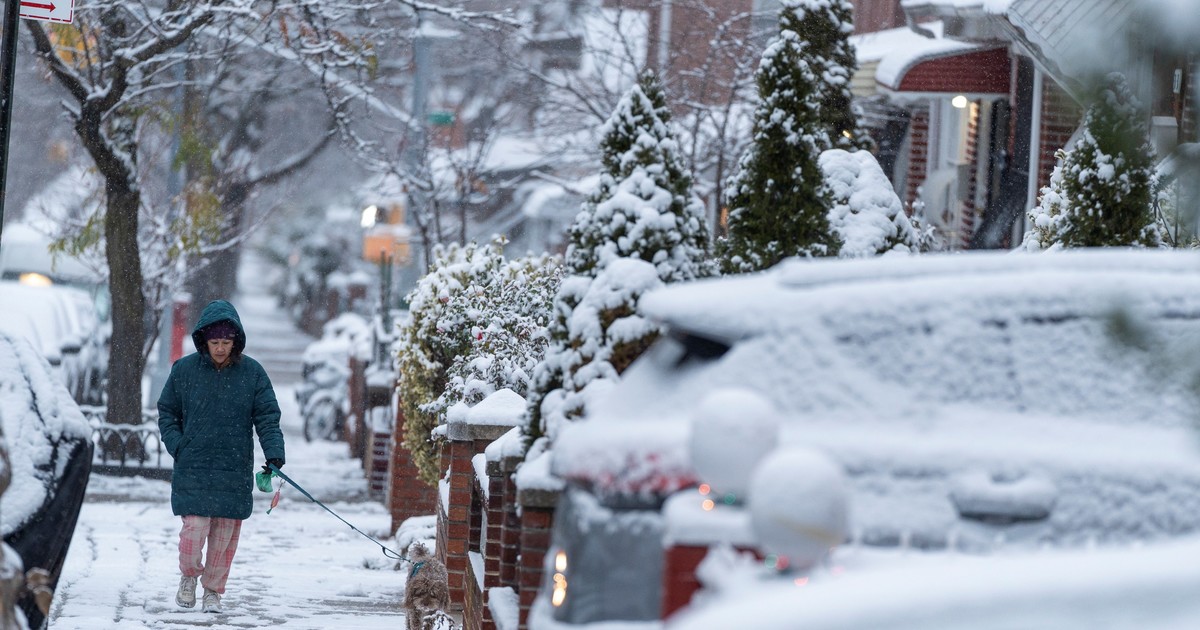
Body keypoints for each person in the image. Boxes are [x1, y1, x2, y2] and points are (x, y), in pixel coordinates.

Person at [157, 300, 285, 614]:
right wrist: (178, 445)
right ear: (204, 340)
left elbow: (267, 417)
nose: (220, 348)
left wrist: (274, 454)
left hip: (233, 466)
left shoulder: (252, 373)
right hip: (194, 465)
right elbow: (167, 412)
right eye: (214, 342)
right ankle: (189, 577)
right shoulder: (184, 370)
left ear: (235, 341)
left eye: (226, 342)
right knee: (194, 528)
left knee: (224, 538)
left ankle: (212, 591)